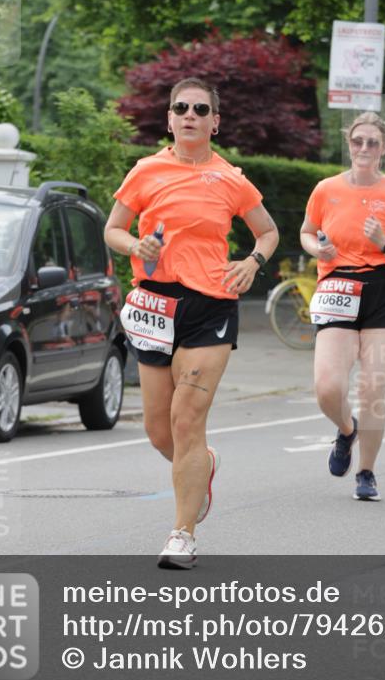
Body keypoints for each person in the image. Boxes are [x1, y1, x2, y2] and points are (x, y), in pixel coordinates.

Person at [104, 77, 278, 567]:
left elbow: (267, 232)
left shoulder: (231, 178)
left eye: (201, 109)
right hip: (155, 306)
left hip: (211, 306)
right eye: (181, 107)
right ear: (169, 118)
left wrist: (251, 263)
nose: (190, 115)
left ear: (215, 122)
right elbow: (113, 228)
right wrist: (136, 246)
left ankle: (182, 534)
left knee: (187, 420)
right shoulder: (146, 171)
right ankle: (204, 468)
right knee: (160, 432)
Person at [300, 111, 385, 502]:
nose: (364, 148)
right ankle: (347, 429)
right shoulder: (325, 189)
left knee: (373, 387)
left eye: (373, 142)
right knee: (327, 388)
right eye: (358, 141)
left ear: (384, 148)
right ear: (349, 144)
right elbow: (305, 231)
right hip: (337, 284)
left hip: (384, 289)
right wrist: (317, 248)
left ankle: (366, 473)